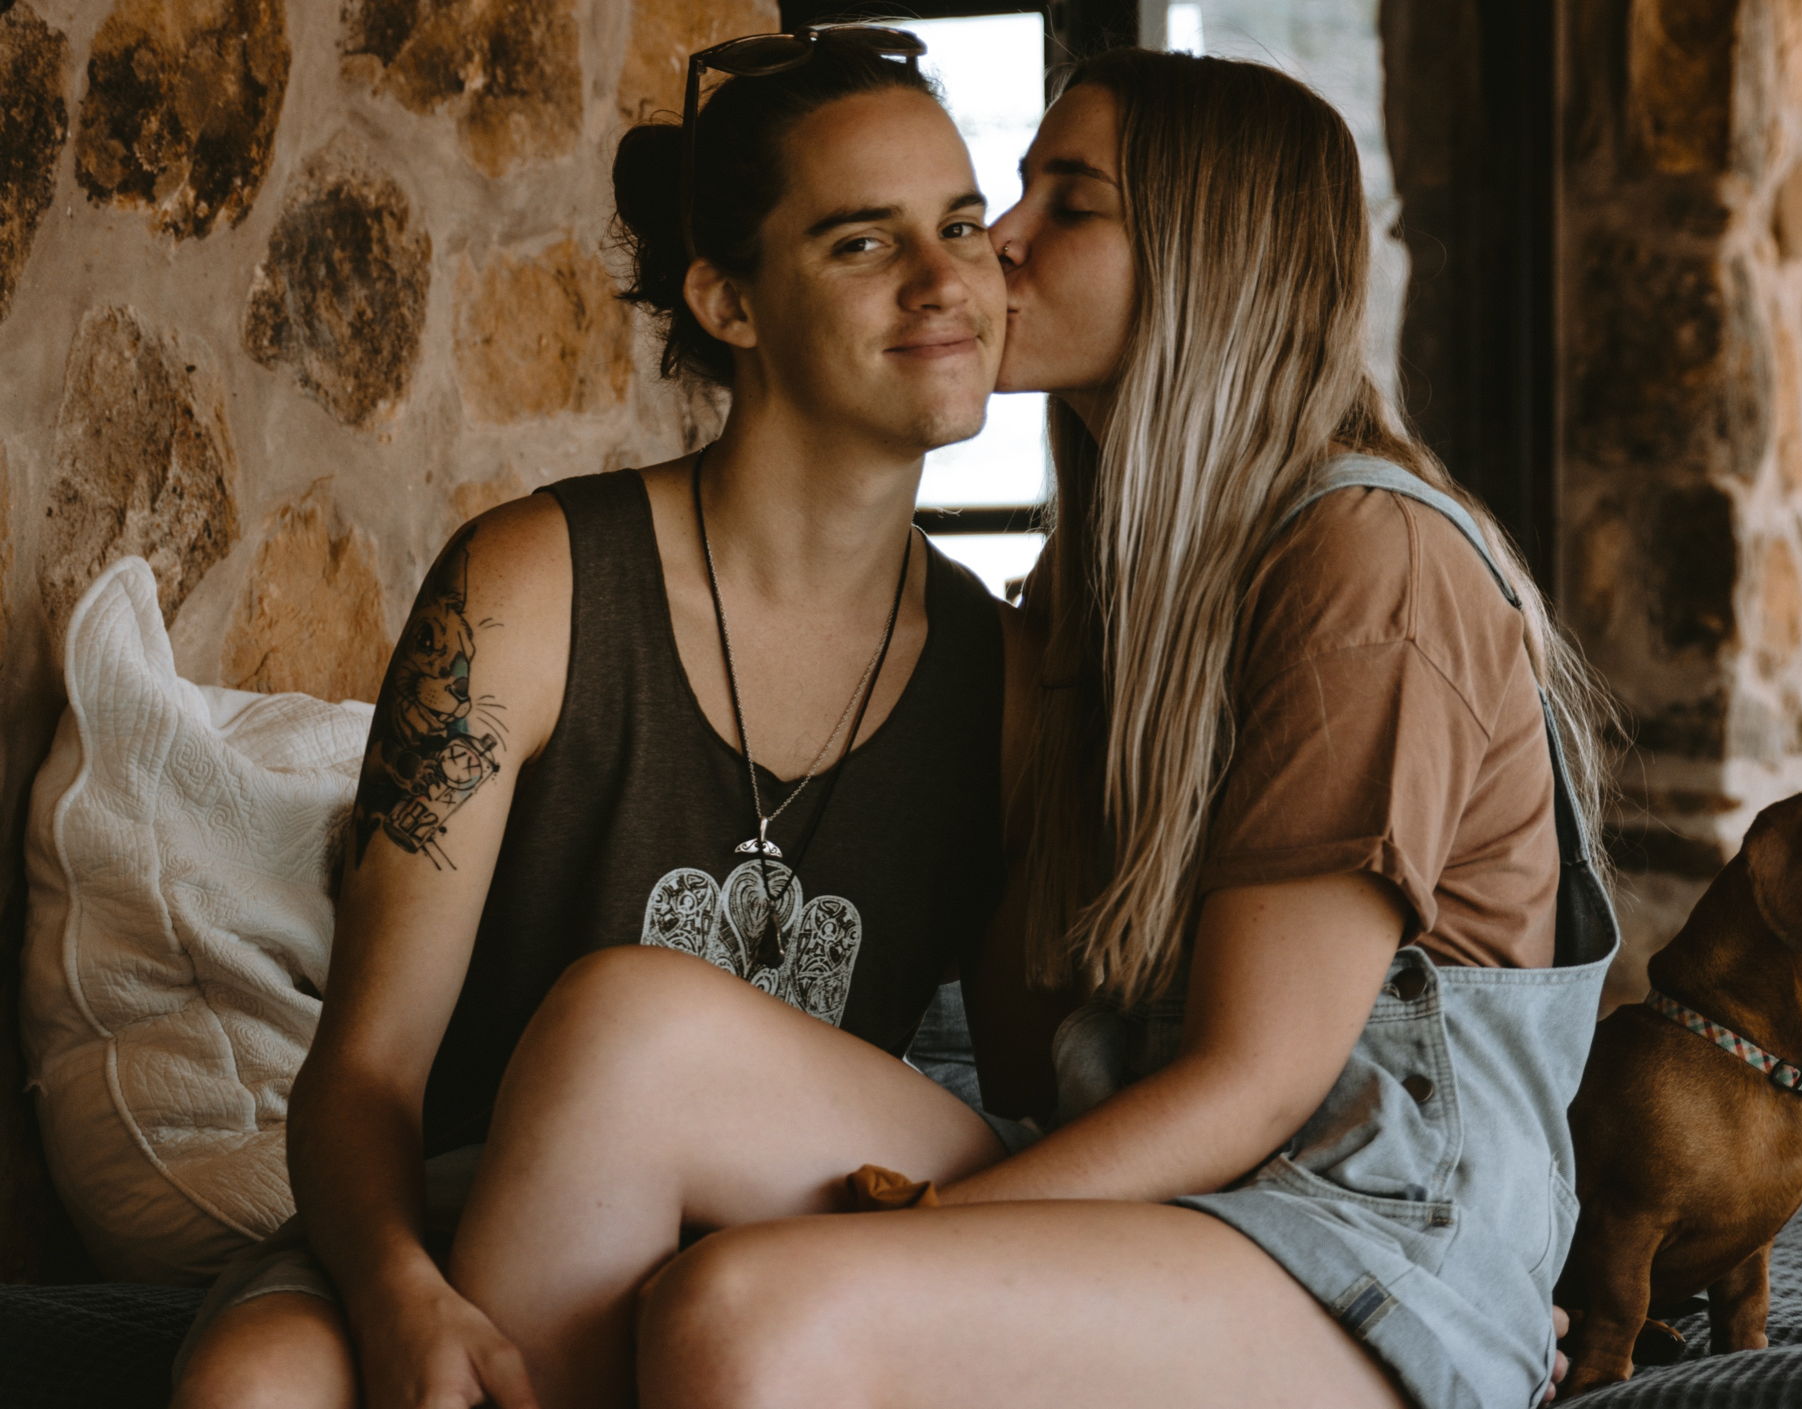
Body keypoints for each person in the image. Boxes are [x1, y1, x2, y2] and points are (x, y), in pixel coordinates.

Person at [437, 45, 1620, 1409]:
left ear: (1202, 254)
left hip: (1359, 1247)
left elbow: (1252, 1085)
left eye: (1072, 202)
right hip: (1164, 1193)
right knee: (620, 1031)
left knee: (744, 1308)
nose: (998, 244)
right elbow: (1030, 1046)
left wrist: (915, 1237)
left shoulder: (1367, 559)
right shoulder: (1106, 579)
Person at [169, 29, 1033, 1409]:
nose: (948, 282)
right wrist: (400, 1300)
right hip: (460, 1218)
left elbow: (1024, 1107)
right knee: (256, 1384)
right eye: (864, 244)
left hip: (783, 1258)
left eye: (966, 226)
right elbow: (366, 1070)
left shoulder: (1007, 680)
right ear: (729, 301)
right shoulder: (529, 590)